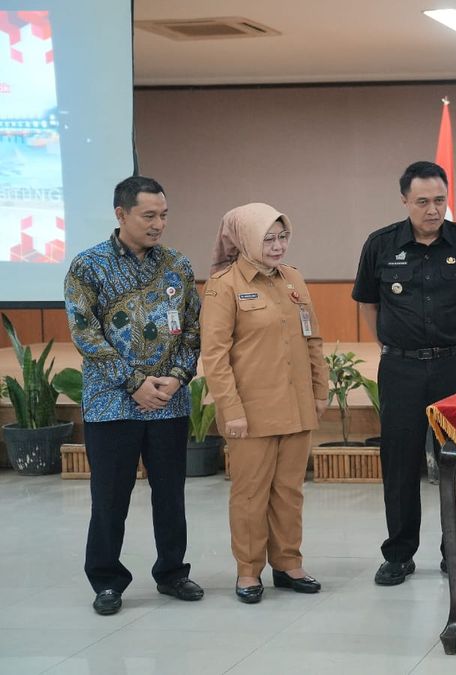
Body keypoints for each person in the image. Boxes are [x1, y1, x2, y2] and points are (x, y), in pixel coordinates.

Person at [64, 176, 204, 615]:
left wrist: (178, 378)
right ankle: (107, 580)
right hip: (111, 404)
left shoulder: (177, 266)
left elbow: (194, 330)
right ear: (121, 214)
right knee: (110, 496)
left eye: (163, 215)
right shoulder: (89, 266)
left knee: (170, 494)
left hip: (169, 401)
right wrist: (134, 384)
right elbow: (85, 333)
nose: (159, 223)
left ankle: (172, 573)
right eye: (149, 215)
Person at [352, 160, 456, 586]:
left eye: (439, 200)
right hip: (400, 367)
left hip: (454, 365)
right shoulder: (380, 244)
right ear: (404, 201)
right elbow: (368, 305)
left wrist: (454, 341)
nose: (432, 209)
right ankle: (398, 554)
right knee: (399, 461)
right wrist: (392, 345)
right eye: (422, 202)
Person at [200, 203, 330, 603]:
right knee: (251, 493)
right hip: (251, 413)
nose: (278, 247)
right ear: (243, 241)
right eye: (268, 239)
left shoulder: (292, 278)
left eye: (282, 237)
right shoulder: (224, 285)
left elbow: (312, 338)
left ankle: (288, 563)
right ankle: (248, 570)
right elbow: (215, 356)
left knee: (289, 491)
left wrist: (320, 390)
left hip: (296, 406)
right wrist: (231, 410)